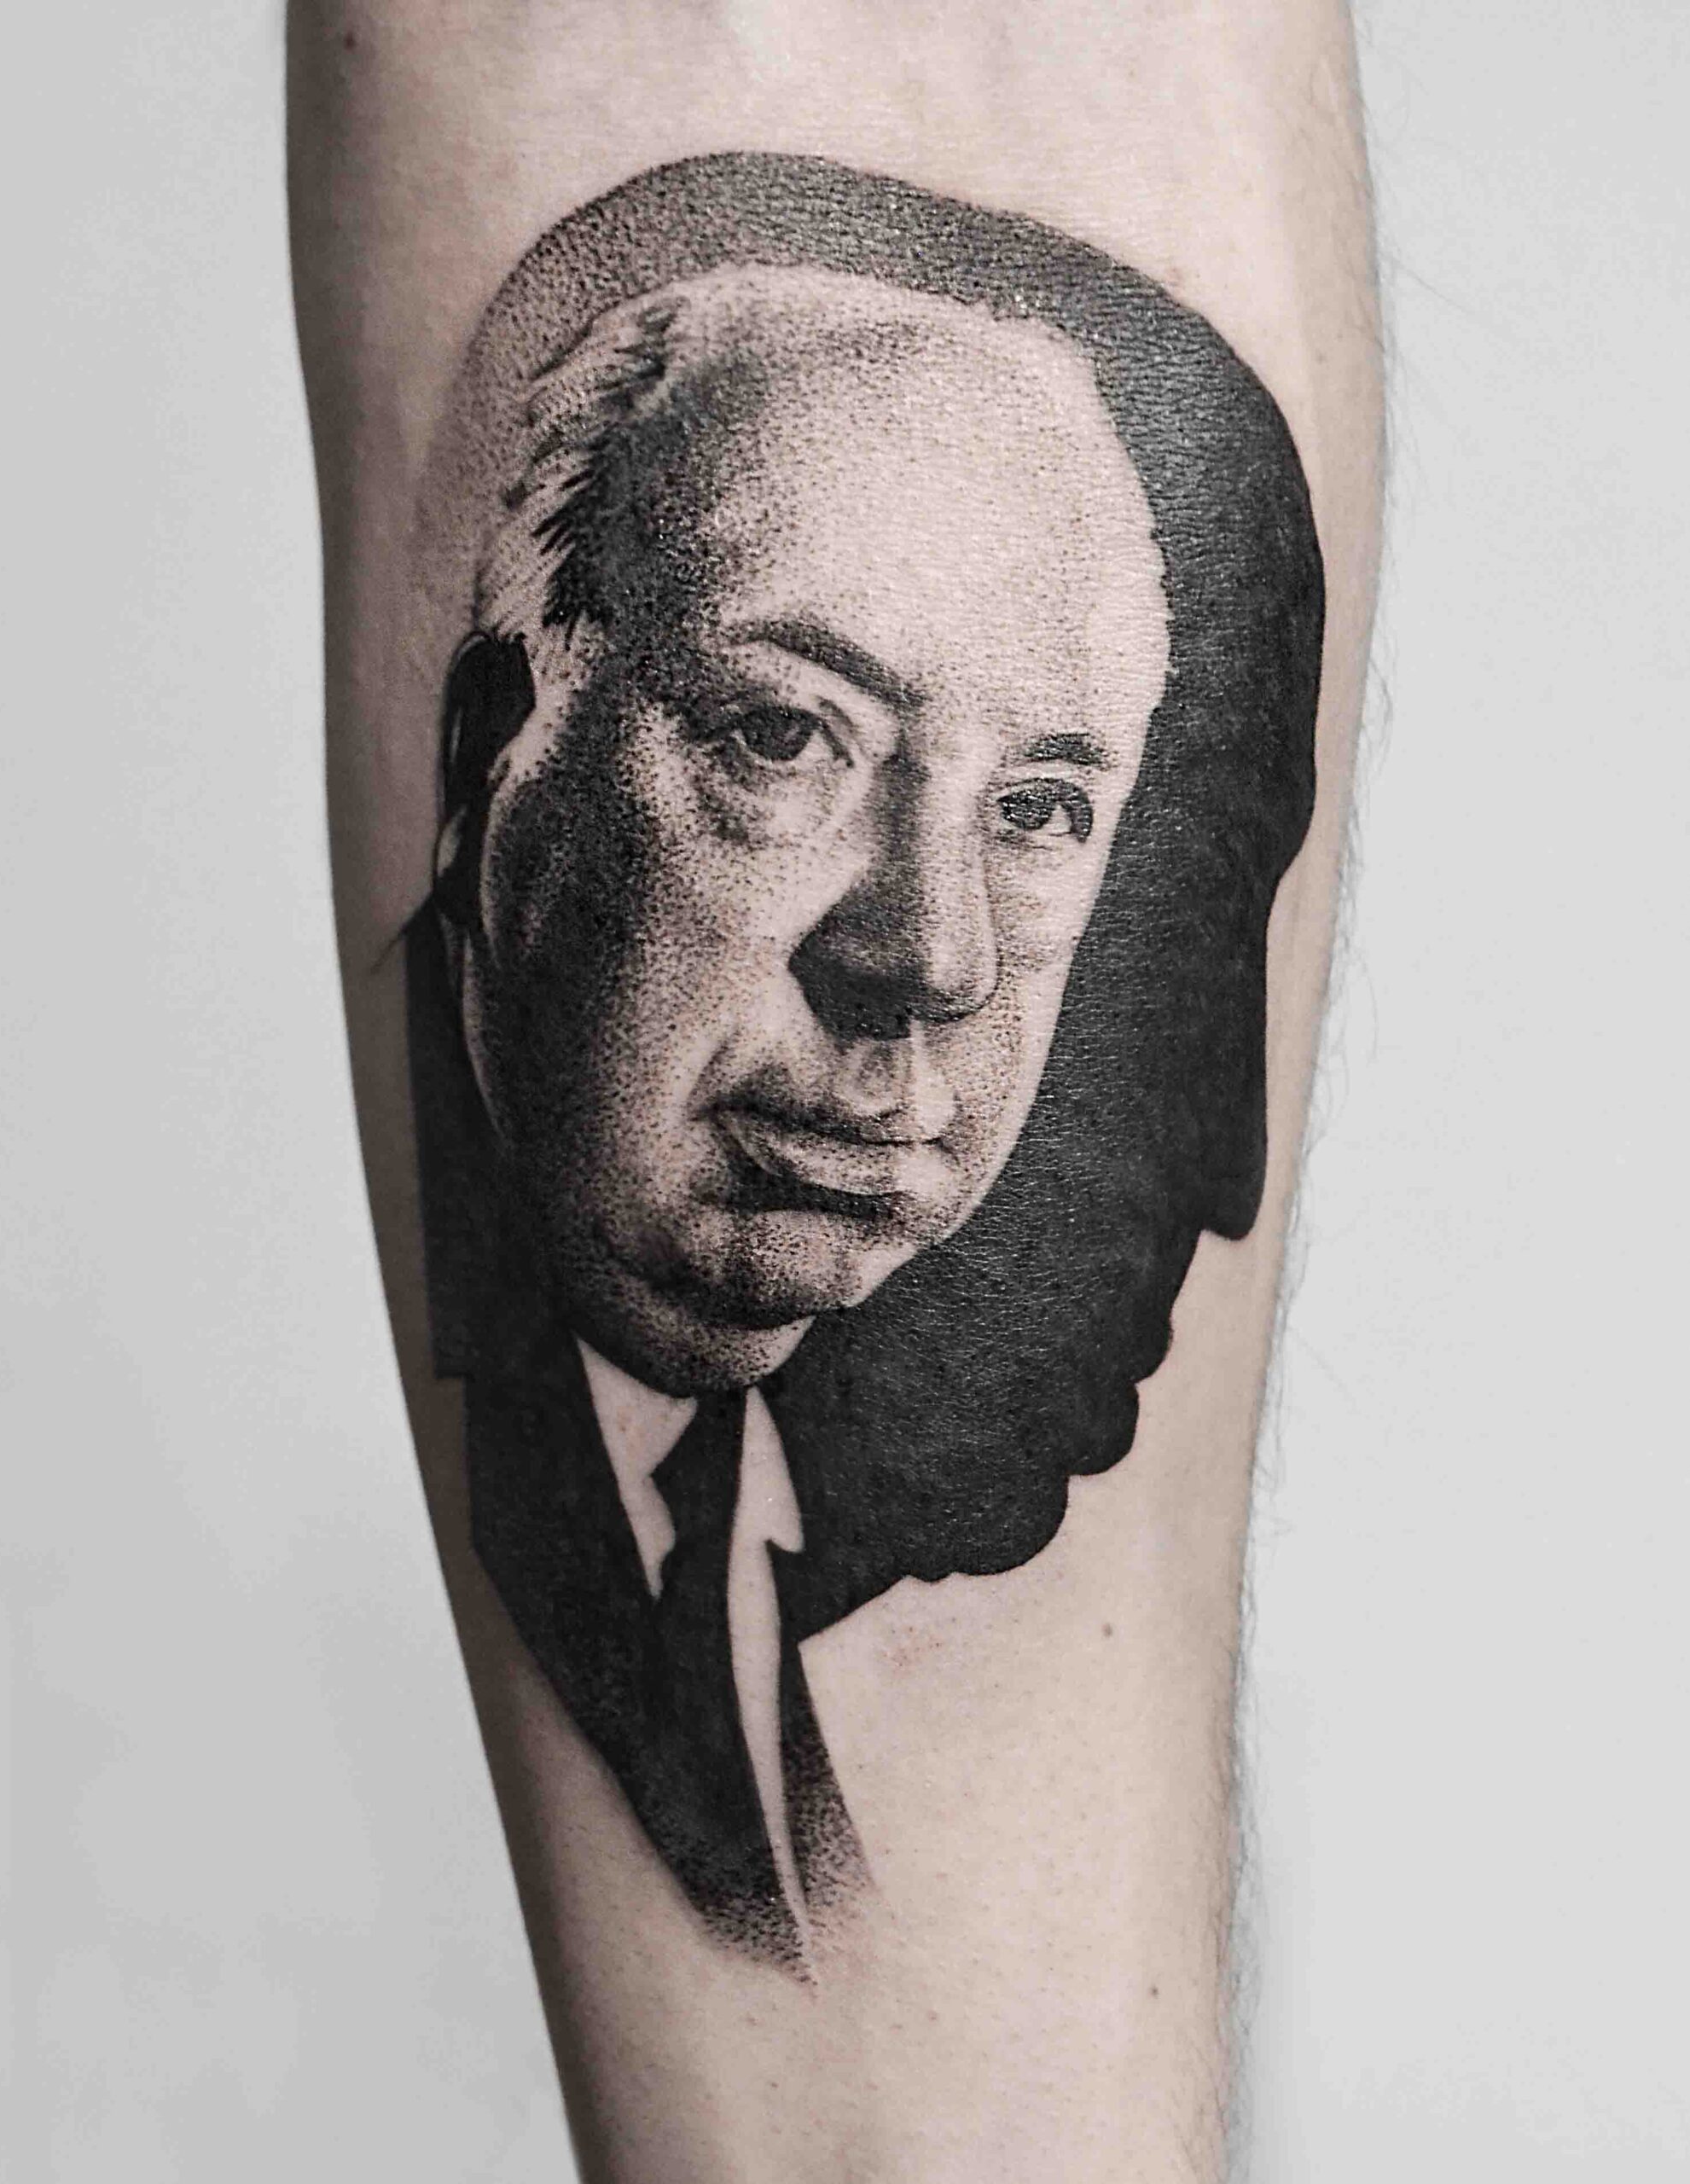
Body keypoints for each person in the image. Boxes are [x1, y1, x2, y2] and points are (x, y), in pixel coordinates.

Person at [292, 9, 1380, 2171]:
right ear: (498, 736)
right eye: (783, 736)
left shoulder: (764, 1489)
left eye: (1039, 808)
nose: (933, 956)